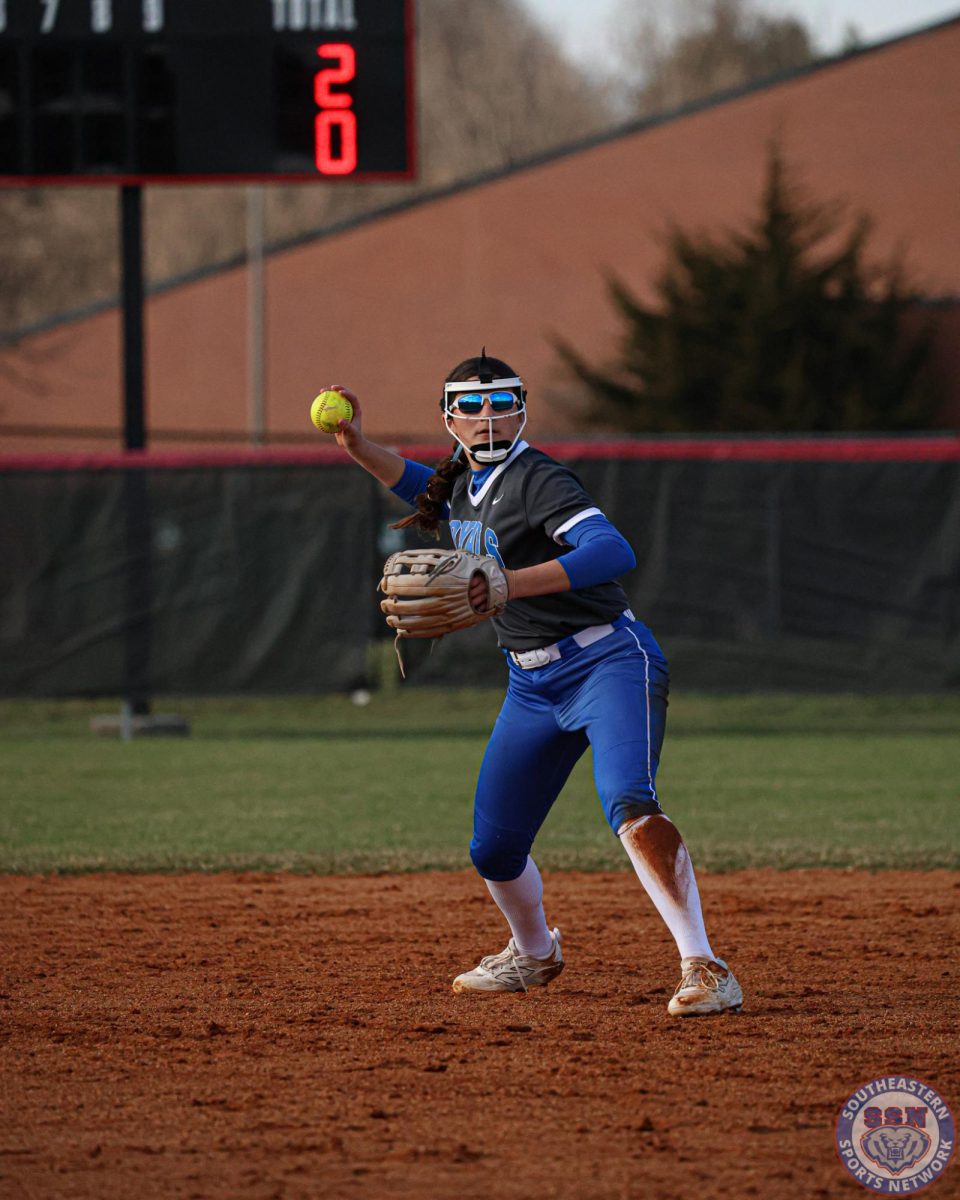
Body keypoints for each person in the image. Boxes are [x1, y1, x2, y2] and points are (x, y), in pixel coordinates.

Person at [327, 351, 742, 1016]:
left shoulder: (537, 478)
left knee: (629, 802)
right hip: (531, 683)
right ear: (448, 417)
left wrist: (507, 583)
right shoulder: (462, 476)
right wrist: (355, 445)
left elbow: (611, 552)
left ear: (522, 409)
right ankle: (535, 952)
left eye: (501, 402)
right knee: (493, 846)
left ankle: (707, 967)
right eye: (471, 405)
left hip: (607, 660)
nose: (488, 416)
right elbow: (415, 485)